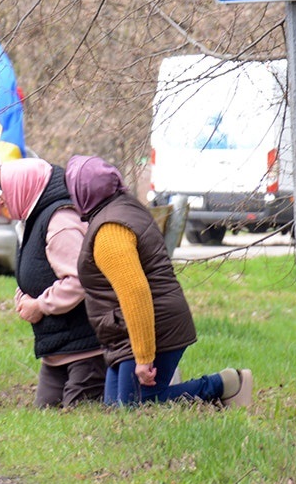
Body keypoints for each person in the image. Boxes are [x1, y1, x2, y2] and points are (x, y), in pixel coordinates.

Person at [64, 155, 252, 408]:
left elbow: (135, 292)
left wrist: (144, 357)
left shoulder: (110, 230)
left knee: (135, 405)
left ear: (82, 192)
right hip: (129, 330)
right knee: (115, 409)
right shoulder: (124, 207)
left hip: (152, 327)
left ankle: (226, 383)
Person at [0, 159, 106, 408]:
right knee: (45, 414)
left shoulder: (60, 221)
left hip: (86, 348)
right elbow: (37, 271)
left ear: (24, 187)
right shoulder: (33, 218)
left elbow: (79, 280)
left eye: (5, 190)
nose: (1, 199)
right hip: (58, 349)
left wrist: (40, 306)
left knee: (79, 416)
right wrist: (23, 297)